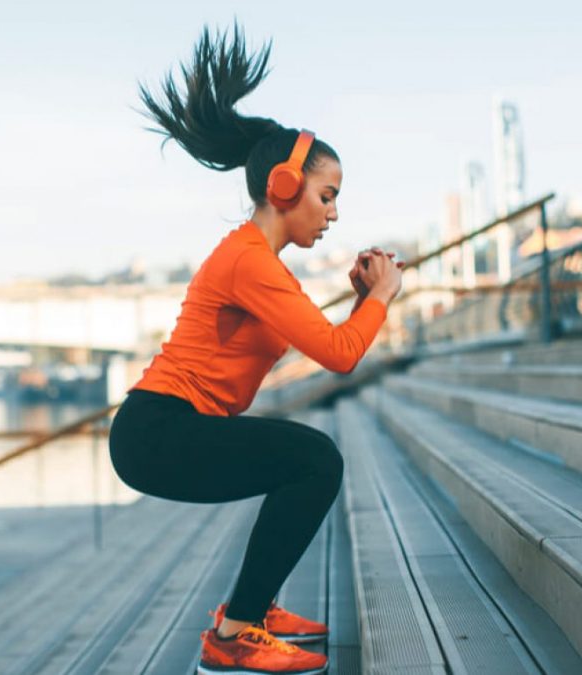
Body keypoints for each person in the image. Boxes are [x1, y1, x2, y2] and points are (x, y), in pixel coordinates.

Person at [108, 24, 403, 675]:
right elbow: (341, 355)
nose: (332, 214)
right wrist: (382, 294)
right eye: (327, 196)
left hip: (167, 428)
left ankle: (252, 613)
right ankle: (235, 632)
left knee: (302, 460)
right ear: (283, 187)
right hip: (157, 429)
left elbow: (330, 341)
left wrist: (362, 302)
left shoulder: (262, 265)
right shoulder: (250, 261)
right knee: (314, 460)